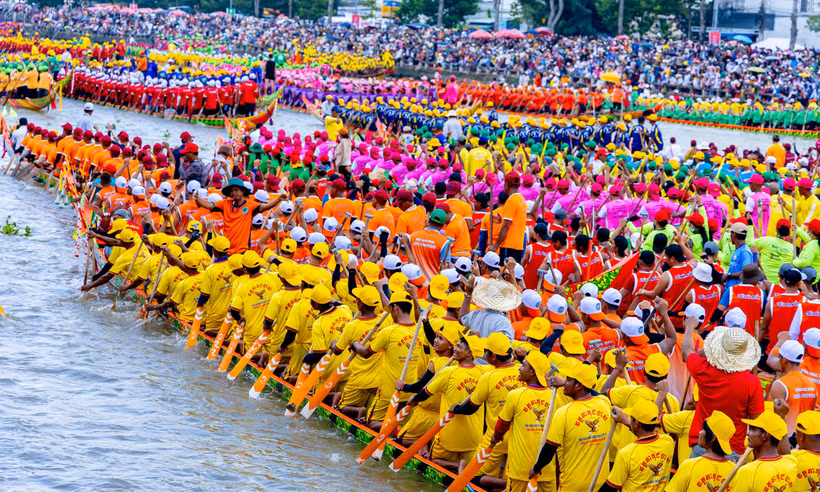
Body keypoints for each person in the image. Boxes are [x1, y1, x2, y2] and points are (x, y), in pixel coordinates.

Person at [682, 314, 765, 456]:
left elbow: (687, 352)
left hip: (702, 444)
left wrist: (689, 326)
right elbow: (756, 422)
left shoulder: (704, 369)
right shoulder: (752, 382)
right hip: (732, 449)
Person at [531, 363, 614, 491]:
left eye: (568, 380)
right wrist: (567, 382)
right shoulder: (604, 403)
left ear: (579, 385)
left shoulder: (563, 412)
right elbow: (595, 393)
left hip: (572, 485)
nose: (565, 383)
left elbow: (549, 449)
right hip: (599, 483)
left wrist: (536, 468)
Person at [490, 350, 556, 492]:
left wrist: (495, 437)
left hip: (520, 471)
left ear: (532, 372)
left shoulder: (516, 395)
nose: (519, 368)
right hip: (547, 470)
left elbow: (502, 425)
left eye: (523, 365)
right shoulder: (554, 396)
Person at [604, 399, 675, 491]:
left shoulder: (627, 454)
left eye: (631, 418)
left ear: (636, 423)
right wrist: (626, 422)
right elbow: (645, 434)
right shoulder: (668, 442)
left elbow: (611, 487)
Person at [666, 411, 736, 492]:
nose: (700, 432)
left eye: (703, 429)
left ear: (713, 437)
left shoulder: (689, 466)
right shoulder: (734, 470)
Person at [729, 410, 796, 491]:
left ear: (765, 435)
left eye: (752, 429)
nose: (748, 433)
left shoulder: (746, 472)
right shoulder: (791, 462)